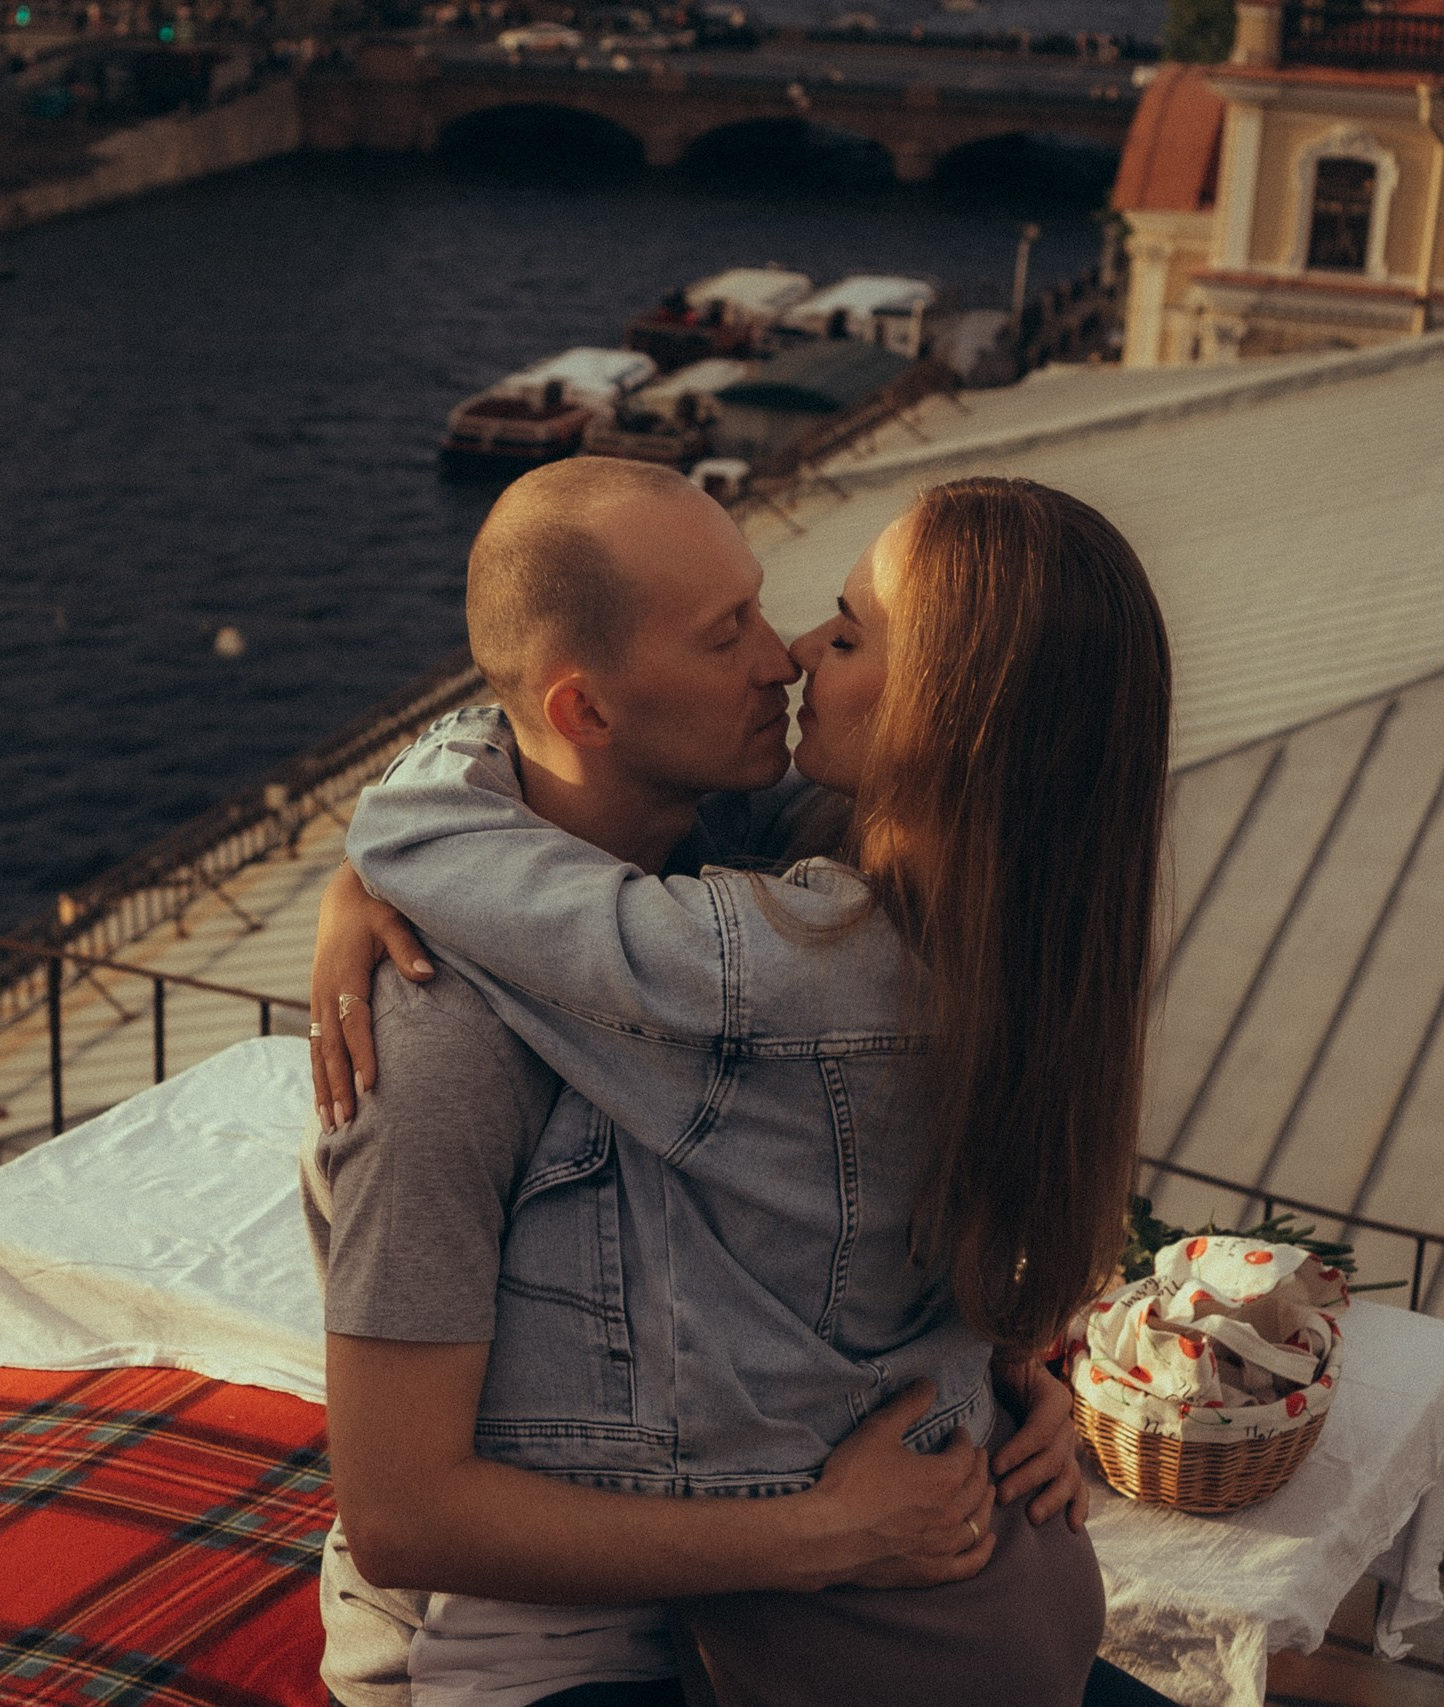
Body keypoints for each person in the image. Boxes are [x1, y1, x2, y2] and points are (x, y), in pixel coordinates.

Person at [305, 460, 1172, 1706]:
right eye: (730, 633)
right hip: (551, 1643)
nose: (783, 657)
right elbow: (399, 1516)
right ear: (590, 711)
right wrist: (830, 1529)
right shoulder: (438, 1033)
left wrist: (988, 1376)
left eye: (816, 621)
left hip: (796, 1615)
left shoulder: (780, 895)